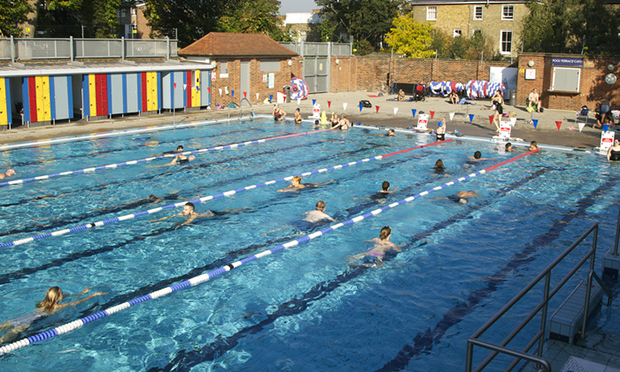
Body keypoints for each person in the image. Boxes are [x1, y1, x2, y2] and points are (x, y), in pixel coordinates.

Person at [0, 286, 107, 343]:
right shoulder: (57, 306)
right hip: (31, 321)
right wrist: (93, 295)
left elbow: (67, 295)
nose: (63, 294)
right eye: (61, 293)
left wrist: (80, 293)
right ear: (57, 297)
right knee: (15, 331)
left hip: (25, 317)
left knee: (5, 325)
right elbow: (76, 302)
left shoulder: (45, 301)